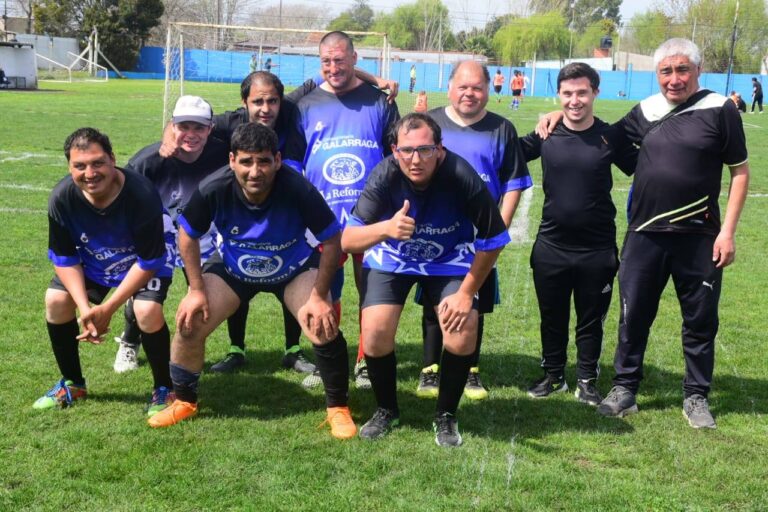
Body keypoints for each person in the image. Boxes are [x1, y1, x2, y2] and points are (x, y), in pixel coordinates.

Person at [541, 38, 750, 428]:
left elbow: (740, 173)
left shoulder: (719, 109)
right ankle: (625, 389)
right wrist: (559, 112)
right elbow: (600, 136)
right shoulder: (646, 110)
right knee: (632, 315)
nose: (674, 79)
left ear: (697, 71)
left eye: (682, 70)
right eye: (666, 71)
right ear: (657, 74)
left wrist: (728, 232)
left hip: (700, 235)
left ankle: (696, 396)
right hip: (644, 235)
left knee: (700, 320)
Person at [147, 69, 398, 376]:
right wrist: (169, 133)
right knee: (235, 273)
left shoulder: (290, 111)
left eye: (272, 101)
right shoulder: (230, 125)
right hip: (242, 218)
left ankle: (295, 350)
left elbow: (331, 71)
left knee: (292, 267)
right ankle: (234, 349)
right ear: (245, 103)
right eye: (258, 102)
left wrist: (376, 81)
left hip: (287, 211)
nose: (265, 108)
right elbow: (192, 129)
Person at [148, 122, 356, 440]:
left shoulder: (297, 188)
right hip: (234, 269)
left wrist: (318, 295)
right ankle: (185, 401)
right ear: (232, 160)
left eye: (263, 161)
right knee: (189, 322)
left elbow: (332, 240)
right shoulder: (214, 187)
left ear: (277, 159)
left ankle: (337, 408)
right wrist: (195, 289)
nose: (255, 171)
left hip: (293, 268)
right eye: (246, 161)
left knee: (321, 323)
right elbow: (187, 235)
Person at [341, 113, 510, 446]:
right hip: (394, 257)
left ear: (440, 150)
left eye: (425, 150)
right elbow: (348, 240)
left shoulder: (462, 175)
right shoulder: (385, 174)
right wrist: (386, 229)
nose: (415, 159)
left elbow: (494, 239)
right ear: (394, 150)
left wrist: (466, 294)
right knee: (374, 330)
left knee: (462, 333)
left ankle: (446, 414)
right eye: (406, 151)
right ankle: (387, 409)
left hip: (449, 259)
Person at [284, 31, 400, 390]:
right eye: (326, 61)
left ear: (354, 59)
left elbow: (394, 155)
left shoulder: (379, 101)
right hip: (322, 219)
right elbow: (292, 159)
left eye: (340, 59)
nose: (334, 67)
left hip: (371, 217)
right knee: (323, 292)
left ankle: (366, 361)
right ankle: (328, 357)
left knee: (373, 292)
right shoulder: (304, 104)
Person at [35, 127, 176, 419]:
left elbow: (150, 261)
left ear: (113, 159)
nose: (90, 173)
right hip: (97, 260)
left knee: (146, 309)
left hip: (145, 259)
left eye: (98, 162)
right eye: (80, 166)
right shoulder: (62, 198)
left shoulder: (141, 194)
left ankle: (165, 387)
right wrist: (86, 309)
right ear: (69, 166)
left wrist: (108, 308)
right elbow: (65, 258)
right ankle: (73, 384)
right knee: (56, 301)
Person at [519, 63, 637, 406]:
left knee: (590, 321)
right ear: (559, 95)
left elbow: (646, 168)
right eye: (568, 94)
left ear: (595, 93)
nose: (575, 101)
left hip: (596, 250)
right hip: (551, 246)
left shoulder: (610, 136)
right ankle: (553, 374)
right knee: (551, 316)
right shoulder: (546, 134)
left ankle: (586, 380)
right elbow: (504, 152)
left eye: (582, 93)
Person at [416, 60, 531, 401]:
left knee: (473, 301)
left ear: (488, 91)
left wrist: (498, 231)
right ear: (450, 88)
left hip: (478, 237)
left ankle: (470, 371)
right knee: (433, 302)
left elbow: (514, 183)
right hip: (435, 233)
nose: (470, 93)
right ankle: (429, 369)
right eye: (463, 87)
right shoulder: (431, 123)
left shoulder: (502, 129)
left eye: (477, 87)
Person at [112, 96, 229, 375]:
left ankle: (189, 349)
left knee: (204, 297)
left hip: (201, 235)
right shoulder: (148, 161)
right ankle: (129, 340)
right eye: (184, 126)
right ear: (172, 126)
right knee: (146, 298)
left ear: (210, 129)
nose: (191, 134)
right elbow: (123, 200)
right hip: (158, 236)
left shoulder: (223, 155)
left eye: (198, 128)